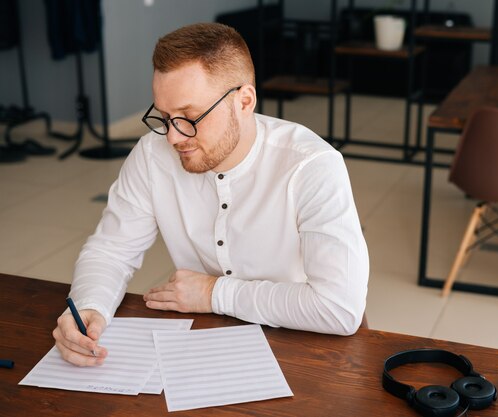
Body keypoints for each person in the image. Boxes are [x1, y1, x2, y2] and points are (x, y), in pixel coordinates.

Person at [52, 22, 369, 366]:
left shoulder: (312, 165)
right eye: (164, 116)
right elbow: (111, 250)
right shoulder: (151, 154)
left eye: (189, 116)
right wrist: (89, 306)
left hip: (303, 339)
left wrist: (212, 293)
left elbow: (338, 309)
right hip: (202, 340)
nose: (172, 137)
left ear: (244, 101)